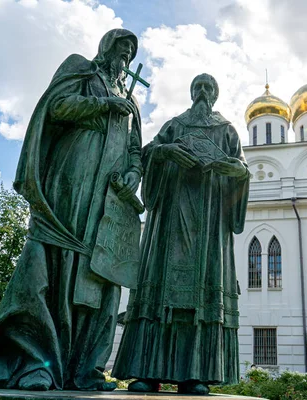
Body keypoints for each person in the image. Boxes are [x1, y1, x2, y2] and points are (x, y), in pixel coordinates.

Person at [0, 29, 143, 391]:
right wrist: (103, 105)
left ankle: (85, 368)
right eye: (121, 49)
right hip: (71, 180)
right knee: (55, 262)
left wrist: (133, 173)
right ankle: (35, 364)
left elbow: (135, 148)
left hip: (107, 199)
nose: (126, 57)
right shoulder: (82, 71)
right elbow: (56, 107)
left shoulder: (130, 99)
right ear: (107, 48)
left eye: (130, 52)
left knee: (100, 275)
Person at [112, 73, 251, 395]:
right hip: (170, 221)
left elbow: (242, 168)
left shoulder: (226, 129)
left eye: (208, 88)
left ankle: (194, 375)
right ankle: (145, 371)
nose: (202, 93)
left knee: (200, 295)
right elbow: (148, 153)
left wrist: (231, 169)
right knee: (159, 293)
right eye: (198, 87)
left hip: (209, 220)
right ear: (191, 93)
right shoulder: (175, 125)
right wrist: (167, 152)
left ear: (215, 95)